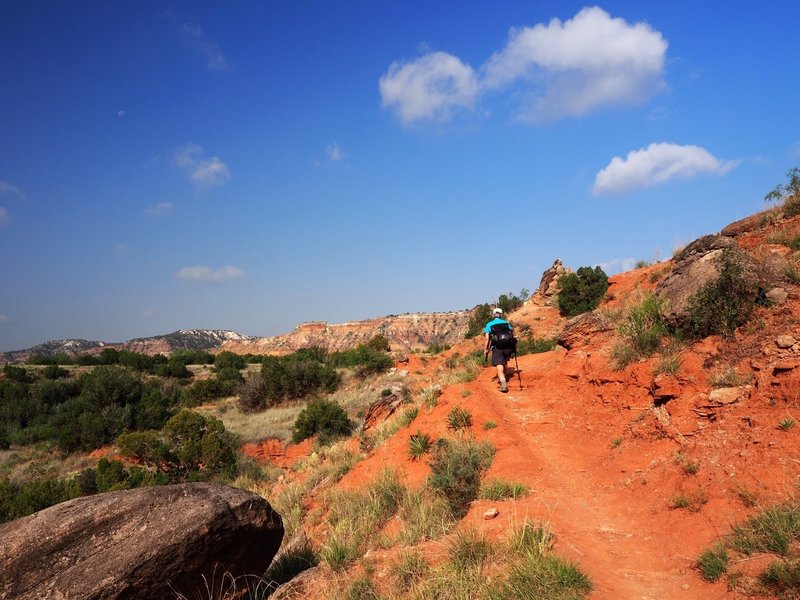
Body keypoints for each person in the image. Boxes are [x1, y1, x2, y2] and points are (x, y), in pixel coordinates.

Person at [484, 307, 514, 393]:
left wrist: (486, 349)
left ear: (494, 315)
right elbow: (512, 333)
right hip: (508, 347)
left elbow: (487, 339)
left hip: (497, 347)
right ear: (501, 315)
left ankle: (503, 384)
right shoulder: (506, 323)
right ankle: (504, 377)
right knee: (504, 362)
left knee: (499, 365)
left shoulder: (489, 324)